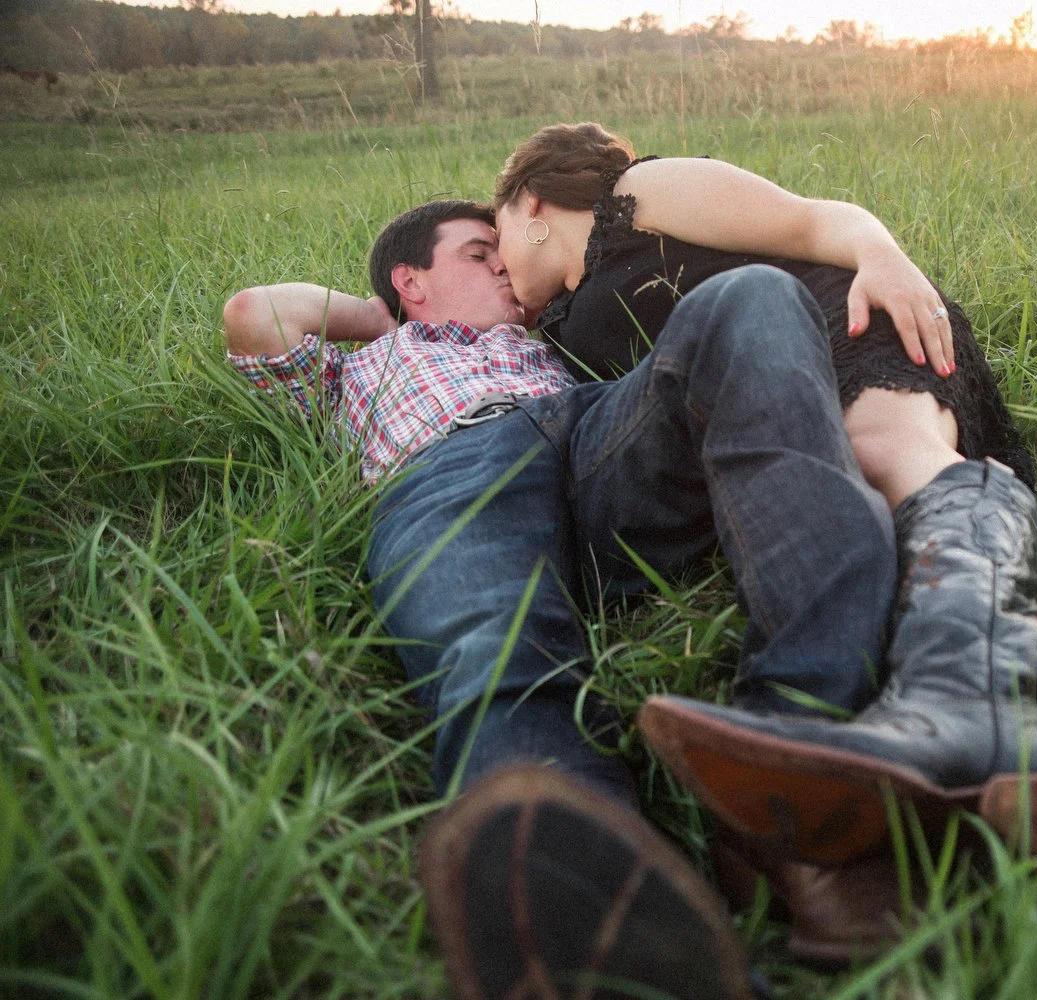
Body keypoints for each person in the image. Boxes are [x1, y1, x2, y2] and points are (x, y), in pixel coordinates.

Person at [224, 198, 931, 996]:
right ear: (409, 279)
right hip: (448, 472)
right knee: (496, 643)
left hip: (592, 432)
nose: (501, 264)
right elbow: (254, 316)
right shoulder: (366, 361)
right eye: (475, 253)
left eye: (501, 250)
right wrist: (384, 317)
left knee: (754, 296)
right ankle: (598, 936)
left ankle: (801, 774)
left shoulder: (546, 341)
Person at [490, 122, 1037, 865]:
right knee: (898, 512)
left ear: (532, 204)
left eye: (493, 241)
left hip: (847, 316)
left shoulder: (638, 193)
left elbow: (810, 218)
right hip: (787, 380)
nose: (497, 271)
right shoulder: (555, 328)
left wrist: (882, 254)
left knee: (888, 461)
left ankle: (961, 710)